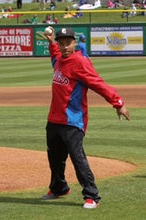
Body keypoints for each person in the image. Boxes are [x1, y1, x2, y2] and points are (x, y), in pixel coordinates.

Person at [41, 27, 130, 209]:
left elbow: (98, 83)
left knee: (77, 157)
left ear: (75, 43)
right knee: (55, 158)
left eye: (68, 43)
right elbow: (55, 55)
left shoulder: (80, 62)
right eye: (61, 43)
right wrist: (51, 42)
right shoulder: (58, 59)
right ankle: (59, 188)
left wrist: (118, 103)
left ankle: (91, 195)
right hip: (54, 119)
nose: (64, 47)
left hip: (73, 120)